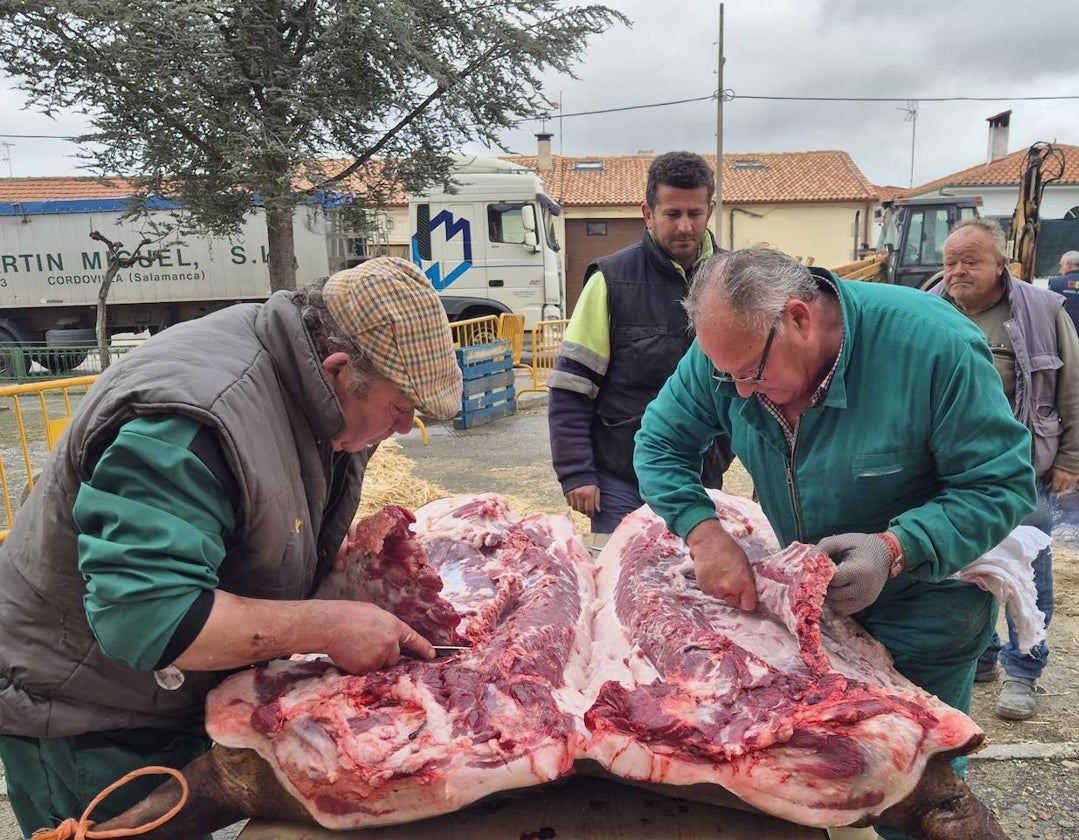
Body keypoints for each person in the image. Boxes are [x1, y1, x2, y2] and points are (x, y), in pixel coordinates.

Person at [0, 257, 462, 835]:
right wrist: (330, 624)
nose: (403, 427)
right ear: (341, 370)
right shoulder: (193, 419)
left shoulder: (312, 388)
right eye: (401, 408)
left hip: (172, 693)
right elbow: (147, 616)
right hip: (87, 715)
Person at [634, 246, 1035, 840]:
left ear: (798, 317)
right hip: (815, 604)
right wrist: (702, 530)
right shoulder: (729, 354)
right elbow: (660, 443)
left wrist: (896, 548)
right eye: (727, 377)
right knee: (822, 774)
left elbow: (998, 484)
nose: (740, 394)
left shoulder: (932, 345)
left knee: (911, 783)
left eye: (751, 374)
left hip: (927, 602)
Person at [931, 219, 1079, 721]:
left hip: (1020, 470)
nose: (956, 271)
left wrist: (1070, 458)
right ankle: (979, 655)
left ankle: (1024, 670)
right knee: (960, 570)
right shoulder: (928, 308)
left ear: (1002, 264)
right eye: (950, 260)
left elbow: (1076, 386)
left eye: (970, 261)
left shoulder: (1042, 311)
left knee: (1025, 572)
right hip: (950, 473)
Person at [548, 151, 732, 541]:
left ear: (710, 211)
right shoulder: (610, 280)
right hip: (621, 479)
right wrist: (576, 472)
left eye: (695, 213)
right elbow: (571, 387)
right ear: (647, 213)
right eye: (672, 214)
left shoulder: (735, 281)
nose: (685, 226)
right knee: (626, 590)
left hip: (703, 476)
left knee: (696, 592)